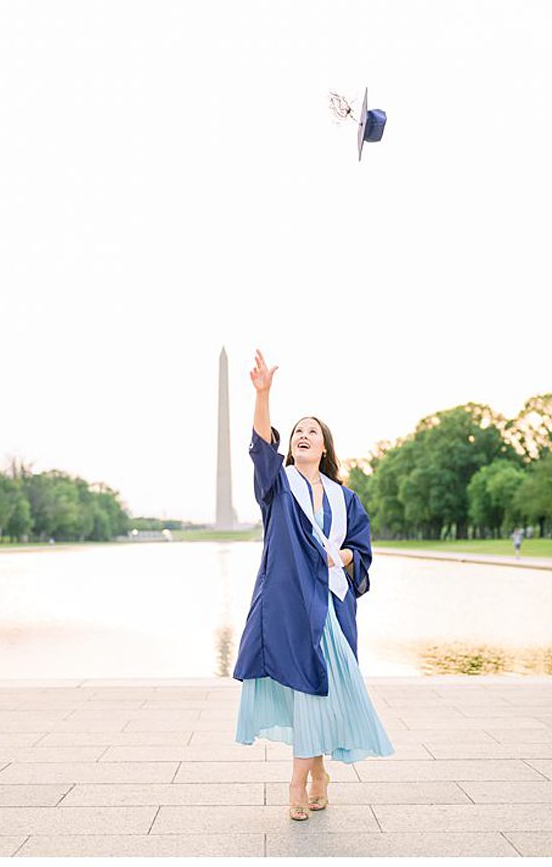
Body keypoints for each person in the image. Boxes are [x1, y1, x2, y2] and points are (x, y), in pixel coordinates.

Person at [232, 349, 395, 820]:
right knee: (309, 689)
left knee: (325, 691)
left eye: (312, 433)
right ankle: (300, 780)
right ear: (292, 446)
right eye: (298, 432)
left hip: (334, 607)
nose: (303, 436)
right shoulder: (278, 488)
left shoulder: (347, 499)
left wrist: (342, 554)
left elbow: (361, 551)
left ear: (324, 448)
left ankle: (318, 773)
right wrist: (263, 394)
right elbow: (260, 446)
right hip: (290, 608)